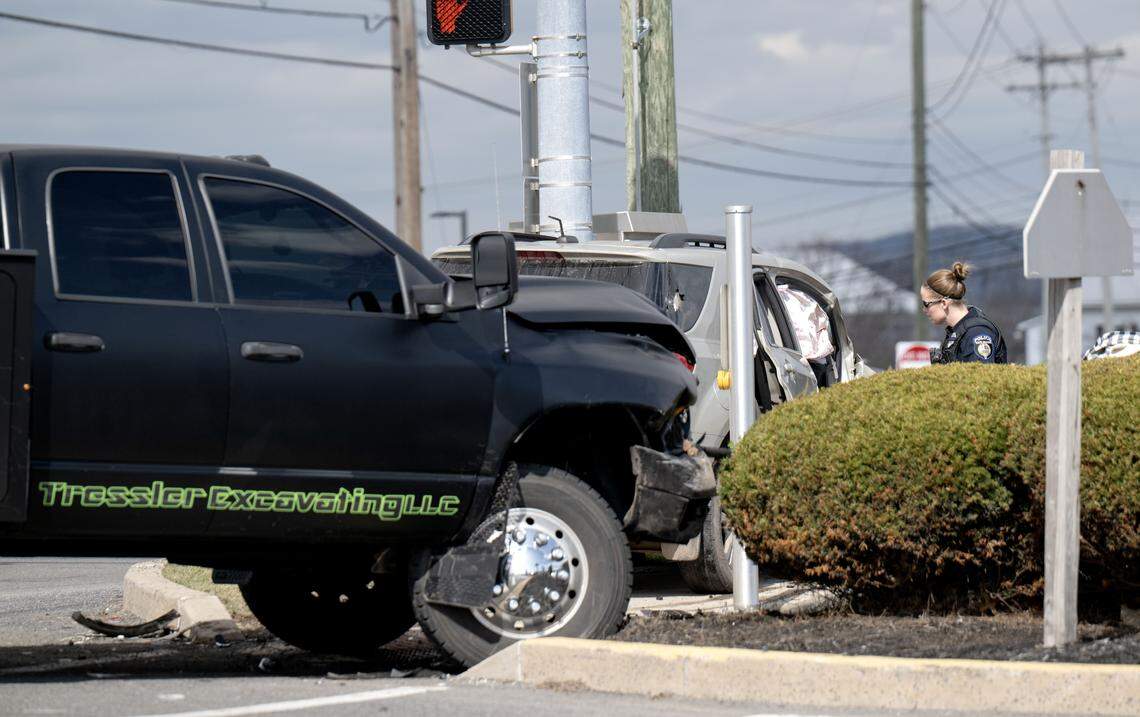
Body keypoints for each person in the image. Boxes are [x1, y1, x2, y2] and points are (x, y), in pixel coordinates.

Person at [921, 262, 1008, 364]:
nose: (924, 309)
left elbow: (980, 373)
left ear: (944, 303)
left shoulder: (976, 333)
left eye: (926, 304)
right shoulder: (958, 332)